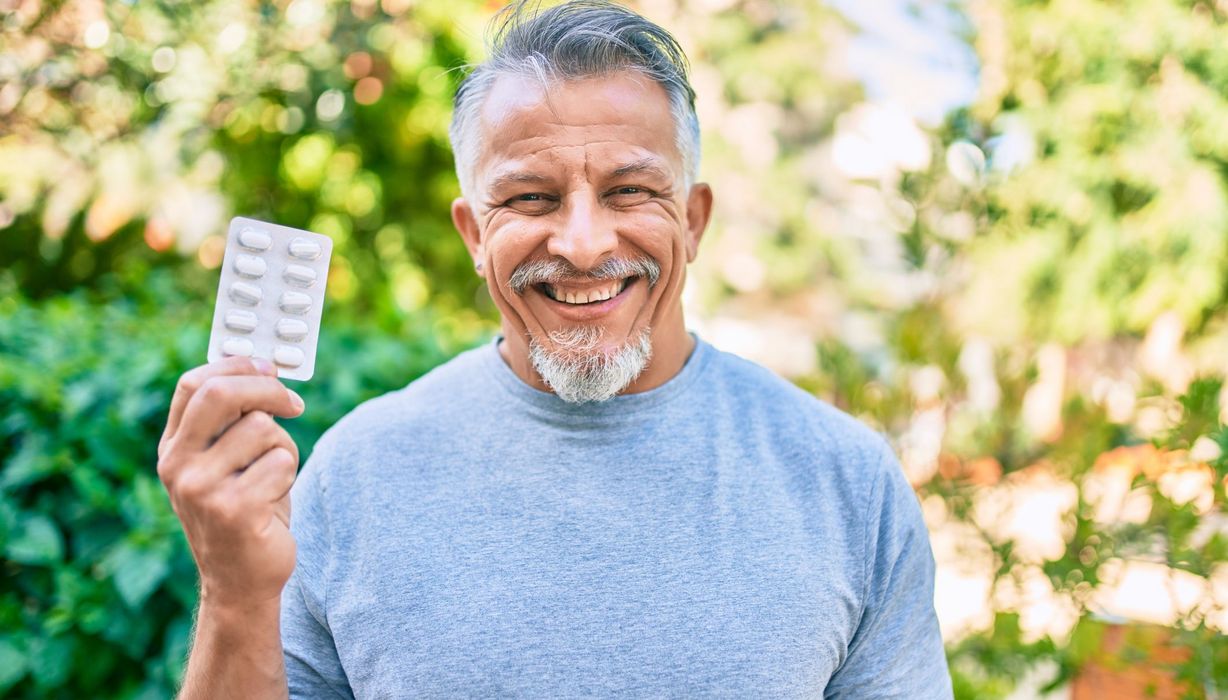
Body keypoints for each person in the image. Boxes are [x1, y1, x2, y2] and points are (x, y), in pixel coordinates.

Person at [155, 1, 953, 697]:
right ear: (474, 233)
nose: (580, 243)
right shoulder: (354, 476)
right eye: (531, 198)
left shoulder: (847, 485)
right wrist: (233, 595)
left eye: (630, 191)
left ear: (695, 219)